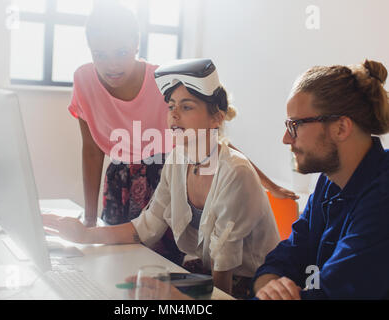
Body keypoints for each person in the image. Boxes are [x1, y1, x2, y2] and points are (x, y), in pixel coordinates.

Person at [68, 1, 296, 265]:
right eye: (100, 55)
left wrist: (270, 184)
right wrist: (88, 222)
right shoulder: (84, 80)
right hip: (123, 185)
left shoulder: (165, 83)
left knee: (162, 264)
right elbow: (92, 152)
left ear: (136, 44)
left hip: (168, 180)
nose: (112, 65)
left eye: (121, 52)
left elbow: (213, 141)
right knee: (117, 263)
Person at [44, 58, 281, 299]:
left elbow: (224, 270)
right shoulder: (178, 159)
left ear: (217, 118)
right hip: (209, 274)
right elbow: (147, 225)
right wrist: (85, 236)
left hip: (253, 285)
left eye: (186, 107)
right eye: (171, 106)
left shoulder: (235, 172)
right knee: (124, 288)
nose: (174, 115)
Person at [251, 59, 389, 300]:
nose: (285, 138)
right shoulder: (329, 179)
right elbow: (290, 254)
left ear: (341, 128)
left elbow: (329, 294)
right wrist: (269, 284)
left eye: (295, 125)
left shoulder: (383, 197)